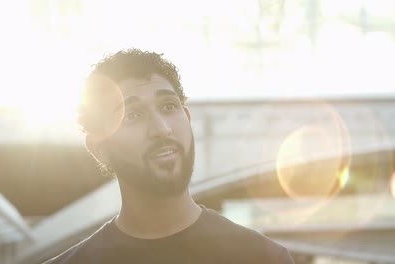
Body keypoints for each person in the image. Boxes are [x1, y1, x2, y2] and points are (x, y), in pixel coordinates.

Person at [44, 49, 295, 264]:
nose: (162, 128)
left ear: (186, 118)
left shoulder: (263, 259)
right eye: (132, 115)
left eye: (168, 107)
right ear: (99, 148)